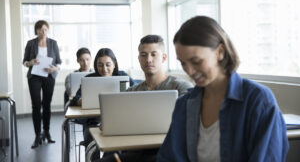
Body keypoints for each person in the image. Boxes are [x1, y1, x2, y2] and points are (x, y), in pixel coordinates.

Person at [157, 16, 289, 161]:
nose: (189, 71)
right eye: (183, 63)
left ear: (220, 51)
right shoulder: (184, 105)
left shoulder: (258, 100)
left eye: (196, 61)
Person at [95, 35, 193, 162]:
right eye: (143, 55)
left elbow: (188, 124)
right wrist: (109, 125)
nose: (148, 59)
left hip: (166, 152)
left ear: (163, 58)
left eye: (153, 54)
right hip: (134, 151)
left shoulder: (182, 87)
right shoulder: (131, 92)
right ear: (139, 59)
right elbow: (117, 122)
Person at [69, 48, 135, 150]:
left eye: (108, 64)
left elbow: (137, 93)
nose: (104, 69)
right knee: (90, 140)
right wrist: (81, 101)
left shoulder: (122, 76)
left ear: (114, 64)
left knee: (118, 145)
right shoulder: (89, 79)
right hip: (93, 121)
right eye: (100, 65)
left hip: (119, 120)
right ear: (96, 65)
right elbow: (74, 99)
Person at [23, 20, 62, 149]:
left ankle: (47, 131)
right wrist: (30, 62)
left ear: (48, 30)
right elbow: (24, 62)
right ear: (36, 31)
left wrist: (54, 69)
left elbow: (59, 63)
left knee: (46, 105)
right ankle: (37, 135)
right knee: (36, 105)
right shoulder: (30, 43)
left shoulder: (53, 43)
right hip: (34, 77)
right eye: (40, 29)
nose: (43, 31)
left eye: (45, 29)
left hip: (49, 76)